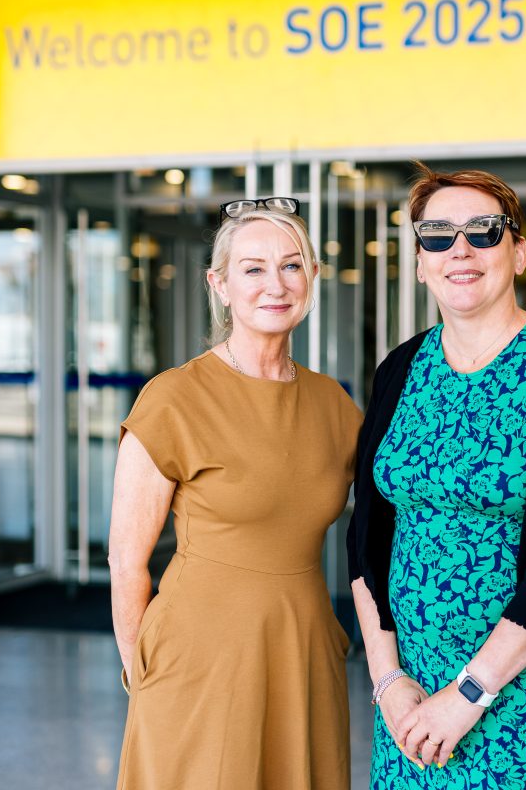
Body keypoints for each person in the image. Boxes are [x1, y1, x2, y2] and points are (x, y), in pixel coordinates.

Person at [347, 166, 526, 788]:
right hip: (410, 690)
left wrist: (470, 691)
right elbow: (366, 535)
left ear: (518, 252)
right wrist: (387, 679)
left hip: (524, 687)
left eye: (483, 231)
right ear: (420, 263)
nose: (460, 250)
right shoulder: (400, 369)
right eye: (438, 235)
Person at [109, 198, 362, 789]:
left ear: (312, 278)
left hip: (303, 650)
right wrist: (145, 672)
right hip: (199, 655)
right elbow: (126, 561)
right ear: (219, 284)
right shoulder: (174, 398)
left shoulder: (334, 404)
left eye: (291, 265)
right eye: (253, 269)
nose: (276, 284)